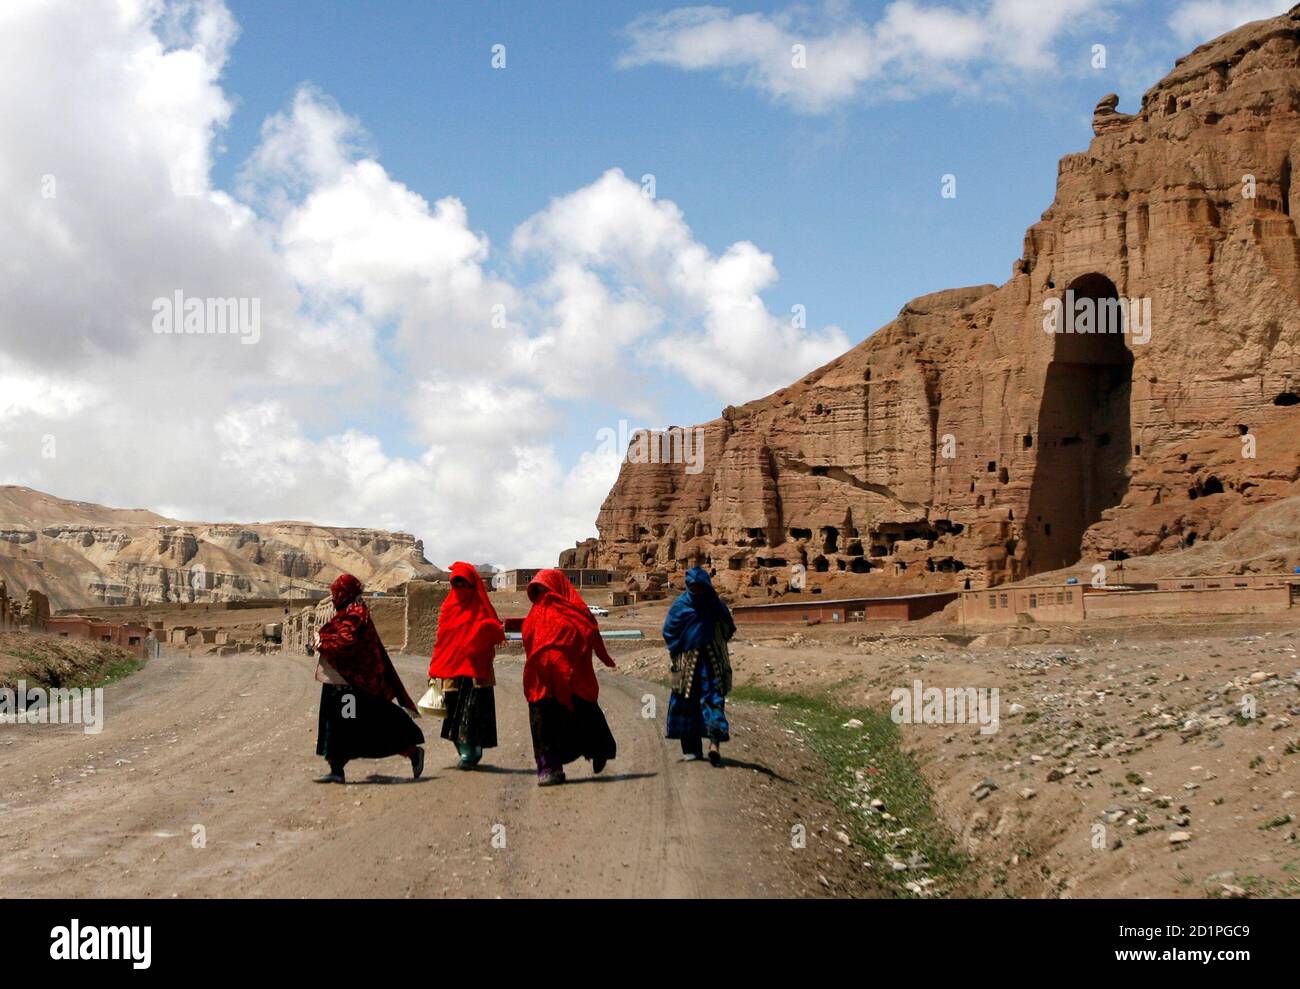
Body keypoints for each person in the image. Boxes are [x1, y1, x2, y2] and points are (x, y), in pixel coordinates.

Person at [313, 573, 424, 783]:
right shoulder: (350, 611)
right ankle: (336, 769)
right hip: (340, 683)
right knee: (339, 725)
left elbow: (346, 642)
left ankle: (412, 752)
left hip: (353, 685)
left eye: (336, 593)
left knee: (361, 724)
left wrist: (322, 642)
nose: (335, 597)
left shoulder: (356, 614)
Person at [521, 569, 617, 786]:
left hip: (549, 680)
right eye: (539, 590)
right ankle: (593, 751)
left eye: (542, 589)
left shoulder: (549, 614)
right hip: (560, 679)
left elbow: (529, 639)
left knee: (546, 723)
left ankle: (550, 769)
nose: (543, 595)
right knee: (579, 713)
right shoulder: (574, 612)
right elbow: (589, 632)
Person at [428, 562, 505, 769]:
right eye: (457, 585)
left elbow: (497, 634)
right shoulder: (448, 608)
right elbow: (442, 641)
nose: (460, 589)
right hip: (452, 670)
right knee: (454, 715)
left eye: (464, 585)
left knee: (472, 713)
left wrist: (484, 631)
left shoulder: (482, 608)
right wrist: (434, 670)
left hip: (476, 671)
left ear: (472, 586)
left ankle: (469, 752)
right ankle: (465, 749)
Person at [662, 566, 735, 766]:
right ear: (688, 587)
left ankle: (713, 745)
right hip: (686, 665)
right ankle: (694, 749)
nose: (698, 592)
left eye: (700, 587)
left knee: (713, 700)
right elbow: (669, 631)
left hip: (709, 663)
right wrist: (679, 648)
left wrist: (714, 642)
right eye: (693, 587)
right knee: (685, 702)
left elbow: (728, 627)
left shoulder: (715, 605)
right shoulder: (681, 606)